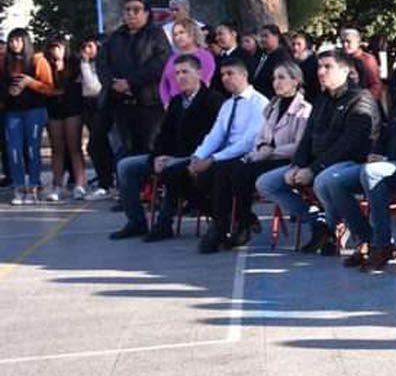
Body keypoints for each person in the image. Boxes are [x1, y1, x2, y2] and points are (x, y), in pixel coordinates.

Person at [315, 53, 396, 270]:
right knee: (332, 181)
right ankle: (365, 238)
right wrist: (376, 152)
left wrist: (385, 159)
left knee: (372, 172)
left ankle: (382, 244)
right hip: (387, 164)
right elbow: (385, 135)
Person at [256, 50, 380, 256]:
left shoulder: (360, 99)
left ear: (345, 70)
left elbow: (349, 144)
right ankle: (319, 224)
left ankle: (349, 234)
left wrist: (313, 169)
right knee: (266, 183)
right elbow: (307, 137)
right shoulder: (322, 99)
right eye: (319, 67)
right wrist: (297, 164)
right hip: (316, 162)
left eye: (328, 67)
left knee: (324, 180)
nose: (321, 71)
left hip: (348, 162)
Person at [109, 54, 224, 241]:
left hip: (195, 157)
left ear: (199, 73)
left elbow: (211, 138)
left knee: (172, 170)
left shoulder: (213, 100)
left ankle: (164, 224)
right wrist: (158, 155)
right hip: (169, 156)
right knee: (125, 166)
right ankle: (136, 222)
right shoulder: (177, 102)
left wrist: (173, 158)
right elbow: (164, 135)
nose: (181, 77)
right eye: (177, 73)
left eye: (185, 71)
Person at [210, 62, 311, 250]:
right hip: (265, 156)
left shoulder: (304, 109)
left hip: (286, 159)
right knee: (224, 169)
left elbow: (300, 145)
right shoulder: (273, 106)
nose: (276, 82)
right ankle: (224, 223)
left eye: (282, 78)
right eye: (274, 78)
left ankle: (243, 224)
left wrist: (271, 151)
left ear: (295, 81)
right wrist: (263, 146)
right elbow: (261, 136)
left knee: (243, 172)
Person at [185, 60, 269, 251]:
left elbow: (249, 141)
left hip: (247, 155)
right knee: (185, 175)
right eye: (222, 74)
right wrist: (197, 156)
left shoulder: (259, 102)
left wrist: (213, 159)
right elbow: (216, 134)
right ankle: (240, 217)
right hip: (224, 153)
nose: (225, 79)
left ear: (244, 75)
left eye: (230, 73)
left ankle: (221, 227)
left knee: (221, 173)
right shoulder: (228, 104)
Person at [99, 0, 172, 158]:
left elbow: (161, 62)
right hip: (120, 102)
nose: (131, 14)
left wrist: (131, 82)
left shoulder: (156, 34)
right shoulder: (115, 37)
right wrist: (113, 83)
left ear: (146, 13)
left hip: (149, 102)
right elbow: (102, 64)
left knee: (149, 146)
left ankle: (151, 183)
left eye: (136, 10)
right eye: (127, 10)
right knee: (122, 146)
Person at [4, 29, 57, 204]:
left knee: (32, 148)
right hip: (12, 112)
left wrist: (30, 83)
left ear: (26, 42)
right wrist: (8, 92)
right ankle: (18, 187)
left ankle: (34, 186)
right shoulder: (4, 61)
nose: (15, 44)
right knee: (13, 149)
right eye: (12, 40)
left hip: (34, 109)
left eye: (19, 40)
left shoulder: (38, 60)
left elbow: (49, 88)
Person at [41, 38, 87, 201]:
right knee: (57, 148)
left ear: (64, 49)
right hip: (54, 109)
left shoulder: (74, 64)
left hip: (73, 108)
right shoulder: (45, 65)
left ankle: (80, 184)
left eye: (58, 48)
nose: (55, 52)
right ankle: (57, 185)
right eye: (52, 48)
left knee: (74, 146)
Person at [77, 36, 112, 199]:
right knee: (97, 145)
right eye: (84, 46)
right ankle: (104, 180)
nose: (86, 50)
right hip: (87, 105)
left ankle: (107, 183)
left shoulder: (101, 65)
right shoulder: (84, 65)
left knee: (98, 144)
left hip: (101, 104)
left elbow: (94, 86)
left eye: (90, 46)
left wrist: (84, 64)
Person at [160, 19, 216, 107]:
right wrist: (166, 102)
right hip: (172, 107)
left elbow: (203, 82)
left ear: (192, 33)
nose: (178, 37)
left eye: (182, 32)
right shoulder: (172, 57)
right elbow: (164, 83)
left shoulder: (205, 56)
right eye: (175, 34)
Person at [338, 28, 384, 104]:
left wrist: (365, 102)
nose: (345, 45)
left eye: (348, 41)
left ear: (358, 42)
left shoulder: (367, 60)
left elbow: (376, 85)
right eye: (343, 42)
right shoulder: (340, 58)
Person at [250, 24, 290, 99]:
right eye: (261, 36)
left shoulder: (283, 57)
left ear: (276, 37)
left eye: (266, 36)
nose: (262, 39)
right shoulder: (259, 54)